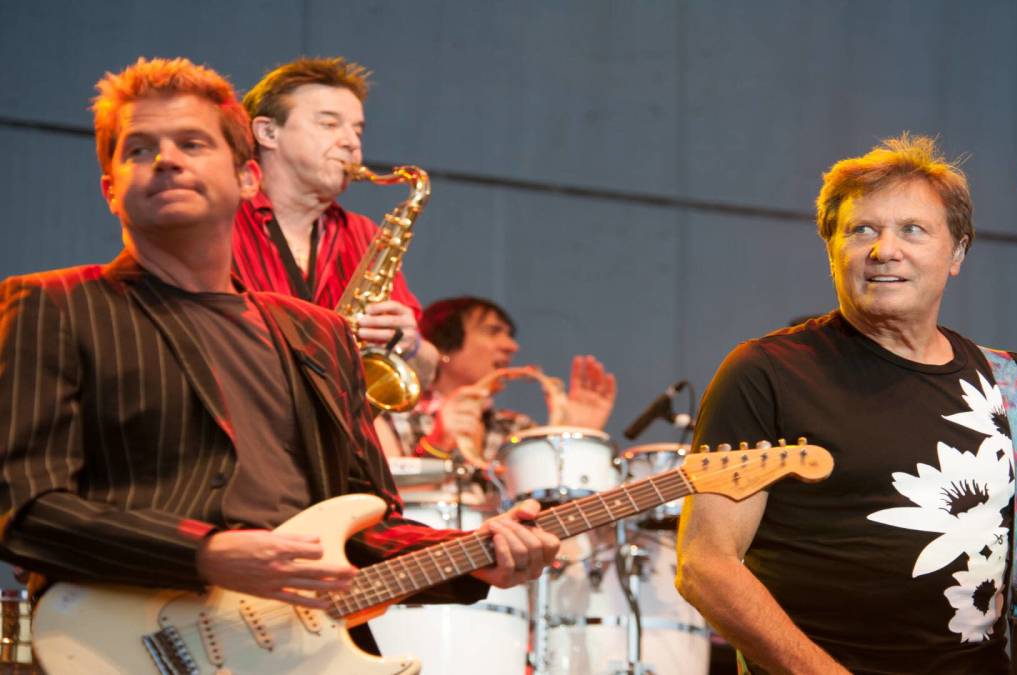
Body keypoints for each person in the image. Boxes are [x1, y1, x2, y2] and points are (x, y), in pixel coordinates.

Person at [0, 58, 557, 621]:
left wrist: (472, 556)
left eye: (192, 144)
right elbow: (20, 510)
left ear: (248, 178)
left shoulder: (320, 334)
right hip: (130, 642)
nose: (165, 159)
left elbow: (367, 526)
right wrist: (205, 555)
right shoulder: (52, 305)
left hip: (297, 646)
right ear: (110, 190)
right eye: (139, 150)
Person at [676, 135, 1017, 674]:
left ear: (957, 252)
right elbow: (705, 564)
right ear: (832, 250)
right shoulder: (766, 373)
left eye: (912, 230)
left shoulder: (1015, 387)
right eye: (861, 230)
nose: (884, 250)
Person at [232, 57, 439, 391]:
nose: (351, 142)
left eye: (357, 130)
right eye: (329, 124)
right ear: (268, 132)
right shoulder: (219, 220)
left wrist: (410, 344)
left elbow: (427, 373)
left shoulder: (364, 234)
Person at [383, 296, 617, 464]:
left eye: (509, 335)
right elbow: (382, 506)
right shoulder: (393, 418)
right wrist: (436, 446)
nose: (511, 346)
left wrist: (575, 437)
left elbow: (551, 507)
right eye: (493, 331)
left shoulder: (516, 429)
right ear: (443, 346)